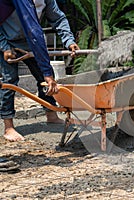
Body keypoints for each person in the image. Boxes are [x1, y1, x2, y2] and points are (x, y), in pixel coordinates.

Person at [0, 0, 80, 142]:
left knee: (46, 77)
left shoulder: (47, 0)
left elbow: (58, 18)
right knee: (9, 81)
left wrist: (69, 41)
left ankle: (51, 114)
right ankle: (8, 127)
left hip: (33, 40)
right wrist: (4, 46)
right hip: (8, 39)